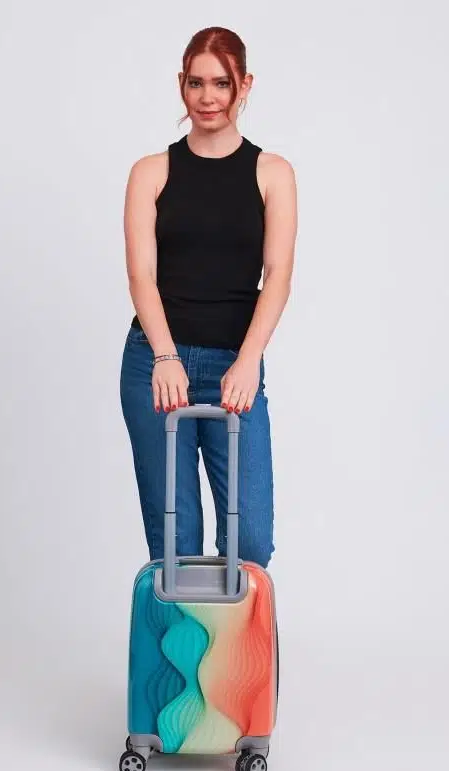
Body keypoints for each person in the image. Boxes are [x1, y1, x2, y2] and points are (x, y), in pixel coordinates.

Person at [120, 26, 297, 569]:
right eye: (196, 83)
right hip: (156, 362)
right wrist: (166, 356)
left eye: (221, 83)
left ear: (245, 85)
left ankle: (235, 635)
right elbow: (141, 276)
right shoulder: (151, 172)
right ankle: (181, 633)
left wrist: (248, 360)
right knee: (177, 547)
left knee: (251, 544)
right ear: (182, 84)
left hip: (233, 367)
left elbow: (278, 274)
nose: (208, 97)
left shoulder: (272, 174)